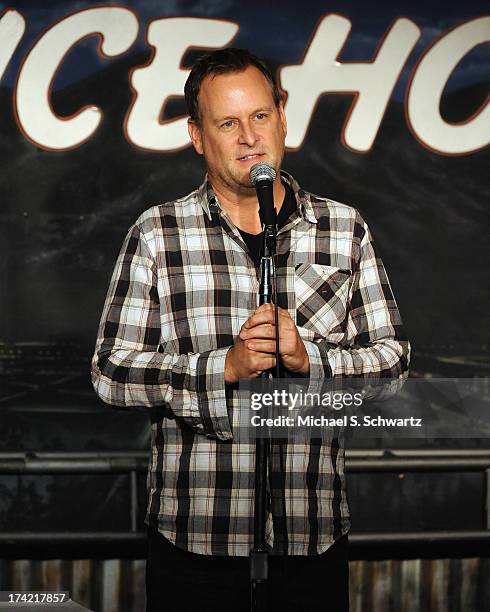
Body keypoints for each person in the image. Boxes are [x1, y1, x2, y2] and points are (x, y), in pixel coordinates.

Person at [91, 48, 410, 612]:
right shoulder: (158, 234)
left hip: (310, 535)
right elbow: (111, 371)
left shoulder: (343, 229)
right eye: (227, 123)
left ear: (283, 117)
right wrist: (223, 369)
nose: (249, 137)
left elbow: (393, 362)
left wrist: (313, 359)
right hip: (195, 538)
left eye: (260, 116)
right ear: (196, 135)